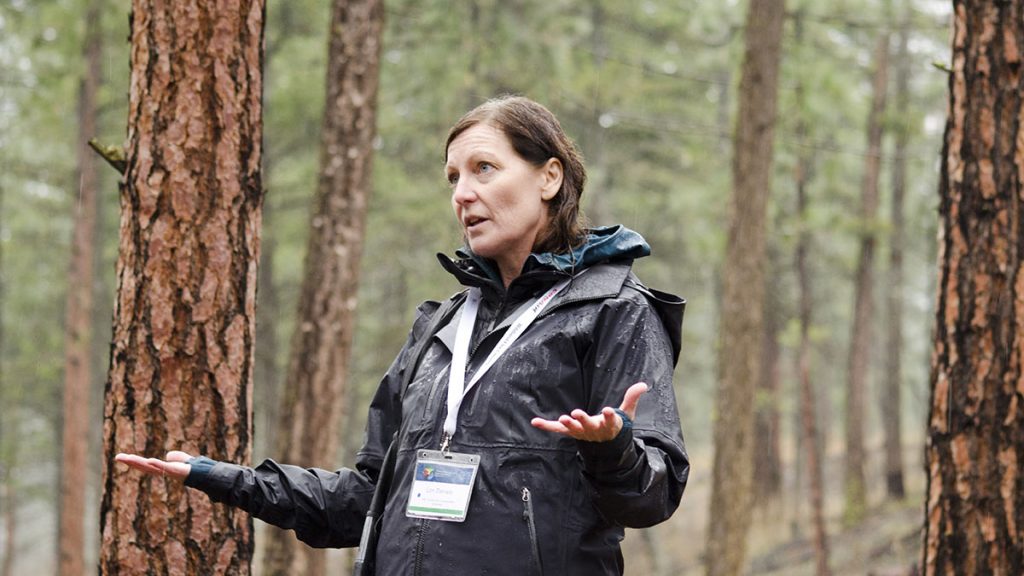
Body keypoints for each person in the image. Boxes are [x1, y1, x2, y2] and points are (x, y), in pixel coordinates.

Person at [117, 95, 689, 575]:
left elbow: (653, 495)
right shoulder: (441, 327)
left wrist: (613, 450)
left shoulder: (614, 310)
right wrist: (228, 480)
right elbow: (366, 498)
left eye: (483, 168)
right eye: (453, 177)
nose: (462, 193)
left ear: (549, 176)